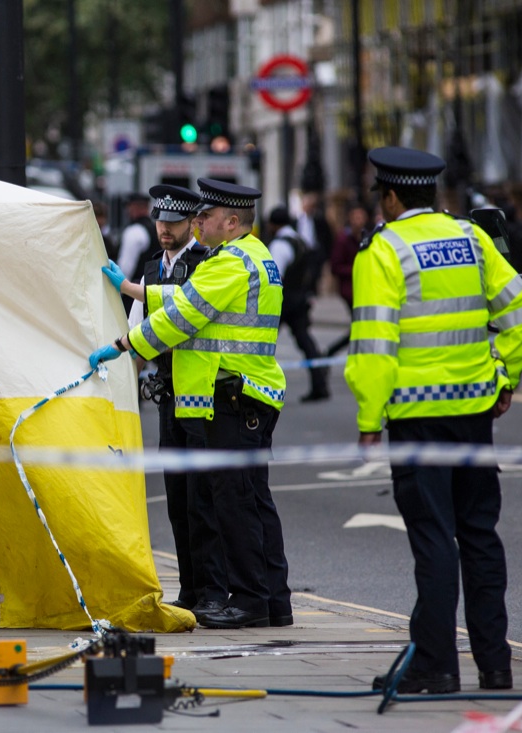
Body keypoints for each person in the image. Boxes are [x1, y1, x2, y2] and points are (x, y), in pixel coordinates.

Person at [347, 147, 522, 694]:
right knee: (479, 536)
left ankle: (436, 666)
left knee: (432, 539)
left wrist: (369, 419)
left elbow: (376, 346)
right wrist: (504, 380)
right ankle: (495, 666)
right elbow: (518, 312)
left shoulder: (382, 251)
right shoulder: (473, 239)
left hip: (417, 418)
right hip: (473, 414)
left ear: (392, 196)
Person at [89, 178, 292, 630]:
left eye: (208, 216)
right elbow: (185, 296)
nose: (199, 221)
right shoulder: (251, 256)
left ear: (232, 221)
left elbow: (182, 316)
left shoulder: (229, 263)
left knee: (235, 505)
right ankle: (275, 599)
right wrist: (134, 290)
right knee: (255, 501)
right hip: (251, 396)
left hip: (234, 398)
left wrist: (124, 344)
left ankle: (251, 600)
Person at [101, 184, 226, 617]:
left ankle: (214, 590)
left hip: (205, 395)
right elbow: (139, 339)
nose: (163, 231)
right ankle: (190, 590)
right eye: (159, 222)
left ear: (192, 223)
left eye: (172, 224)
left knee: (203, 499)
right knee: (177, 499)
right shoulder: (153, 269)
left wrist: (133, 293)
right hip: (170, 394)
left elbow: (178, 317)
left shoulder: (207, 266)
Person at [264, 205, 330, 402]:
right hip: (300, 299)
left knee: (263, 342)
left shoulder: (279, 245)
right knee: (305, 342)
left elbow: (274, 277)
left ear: (273, 225)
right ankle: (320, 384)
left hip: (284, 303)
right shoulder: (299, 240)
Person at [326, 200, 370, 356]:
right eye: (355, 217)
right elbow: (335, 267)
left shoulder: (367, 238)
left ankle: (335, 352)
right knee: (359, 326)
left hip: (364, 289)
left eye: (361, 217)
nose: (359, 220)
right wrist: (356, 269)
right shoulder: (343, 239)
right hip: (350, 291)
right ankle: (334, 352)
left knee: (359, 326)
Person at [116, 193, 161, 312]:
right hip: (153, 293)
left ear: (134, 207)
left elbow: (125, 269)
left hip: (132, 297)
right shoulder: (156, 229)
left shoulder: (134, 231)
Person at [295, 191, 333, 294]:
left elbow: (327, 236)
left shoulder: (319, 219)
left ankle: (312, 290)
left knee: (315, 272)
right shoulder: (298, 219)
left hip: (315, 250)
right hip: (302, 250)